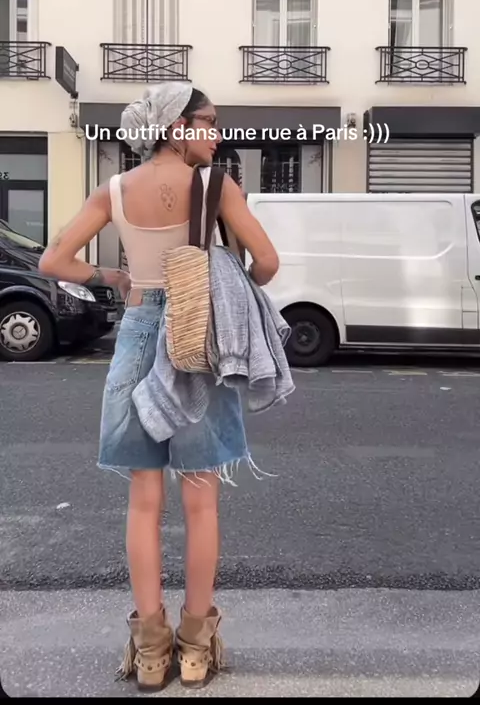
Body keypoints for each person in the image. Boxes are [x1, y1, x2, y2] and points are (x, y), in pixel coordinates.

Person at [38, 83, 280, 693]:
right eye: (209, 122)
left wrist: (114, 276)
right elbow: (268, 262)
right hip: (197, 340)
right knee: (201, 501)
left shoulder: (114, 190)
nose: (217, 134)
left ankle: (151, 651)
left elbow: (53, 262)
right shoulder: (217, 187)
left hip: (139, 334)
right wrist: (231, 280)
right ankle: (195, 648)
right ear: (177, 127)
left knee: (143, 502)